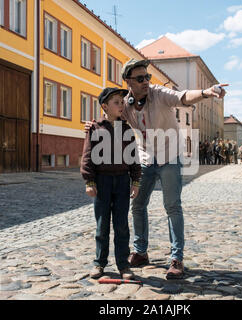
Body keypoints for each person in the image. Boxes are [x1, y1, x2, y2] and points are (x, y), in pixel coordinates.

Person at [85, 58, 226, 279]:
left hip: (169, 156)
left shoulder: (159, 93)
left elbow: (183, 97)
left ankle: (176, 258)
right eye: (140, 78)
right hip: (145, 158)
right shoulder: (126, 104)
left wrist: (207, 92)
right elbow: (110, 115)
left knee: (172, 206)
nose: (146, 82)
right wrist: (93, 125)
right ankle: (140, 252)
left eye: (147, 77)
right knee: (138, 205)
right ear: (128, 82)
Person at [81, 87, 141, 280]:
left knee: (122, 224)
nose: (122, 105)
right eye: (117, 102)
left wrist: (136, 181)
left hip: (122, 181)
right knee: (102, 225)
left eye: (122, 102)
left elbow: (133, 157)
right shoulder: (95, 128)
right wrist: (89, 180)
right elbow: (88, 156)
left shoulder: (126, 129)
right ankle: (99, 263)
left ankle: (124, 265)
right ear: (105, 106)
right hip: (102, 181)